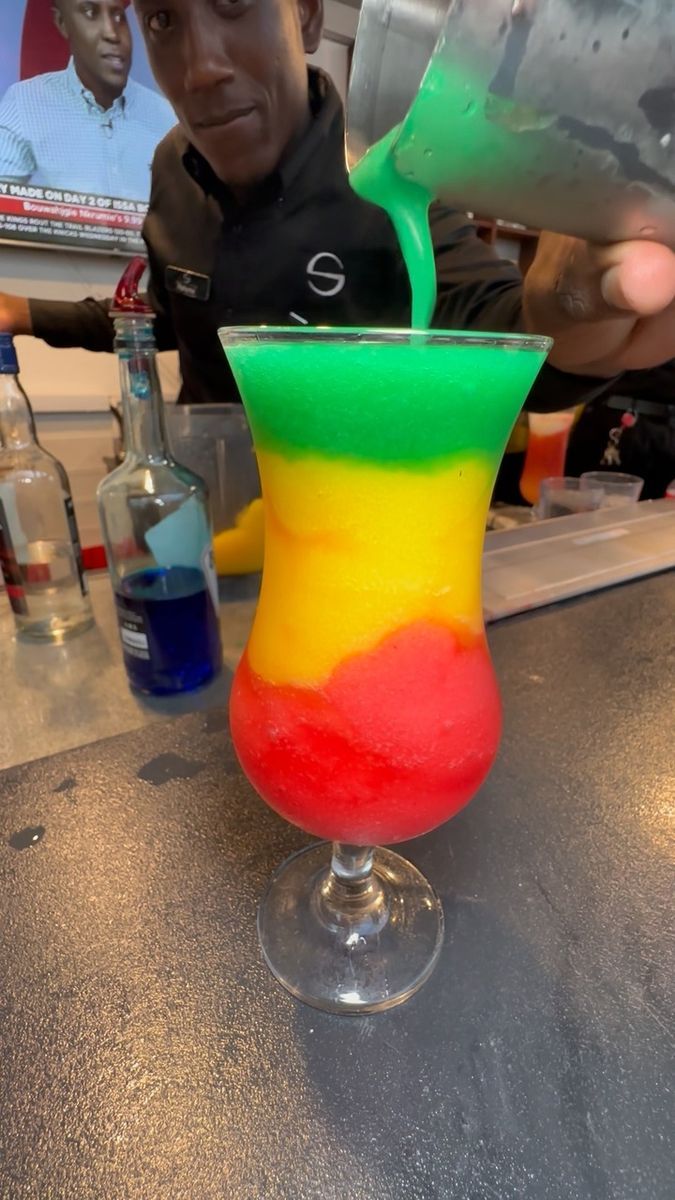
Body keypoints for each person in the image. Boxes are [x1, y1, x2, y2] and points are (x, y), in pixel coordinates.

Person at [1, 0, 675, 410]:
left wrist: (566, 314)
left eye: (233, 1)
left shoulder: (388, 178)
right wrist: (24, 314)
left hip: (344, 542)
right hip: (213, 522)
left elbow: (493, 325)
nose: (198, 67)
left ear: (306, 14)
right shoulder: (172, 164)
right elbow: (167, 313)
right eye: (162, 20)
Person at [0, 0, 175, 200]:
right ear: (62, 22)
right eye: (91, 13)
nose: (112, 34)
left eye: (118, 16)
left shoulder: (168, 119)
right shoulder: (25, 104)